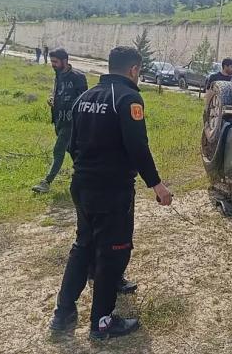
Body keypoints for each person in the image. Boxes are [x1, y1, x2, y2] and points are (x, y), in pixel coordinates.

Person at [49, 46, 172, 339]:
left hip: (82, 184)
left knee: (83, 246)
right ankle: (102, 322)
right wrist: (157, 184)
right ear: (133, 69)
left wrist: (88, 169)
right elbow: (138, 147)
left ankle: (63, 313)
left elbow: (71, 144)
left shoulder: (84, 97)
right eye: (139, 71)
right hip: (112, 190)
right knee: (113, 252)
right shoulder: (128, 98)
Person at [32, 49, 87, 194]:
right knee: (71, 150)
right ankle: (88, 175)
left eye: (55, 62)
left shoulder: (78, 77)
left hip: (71, 122)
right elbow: (58, 92)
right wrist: (53, 99)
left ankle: (46, 182)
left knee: (59, 149)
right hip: (58, 120)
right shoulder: (58, 74)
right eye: (52, 62)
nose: (53, 65)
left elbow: (83, 100)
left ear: (65, 61)